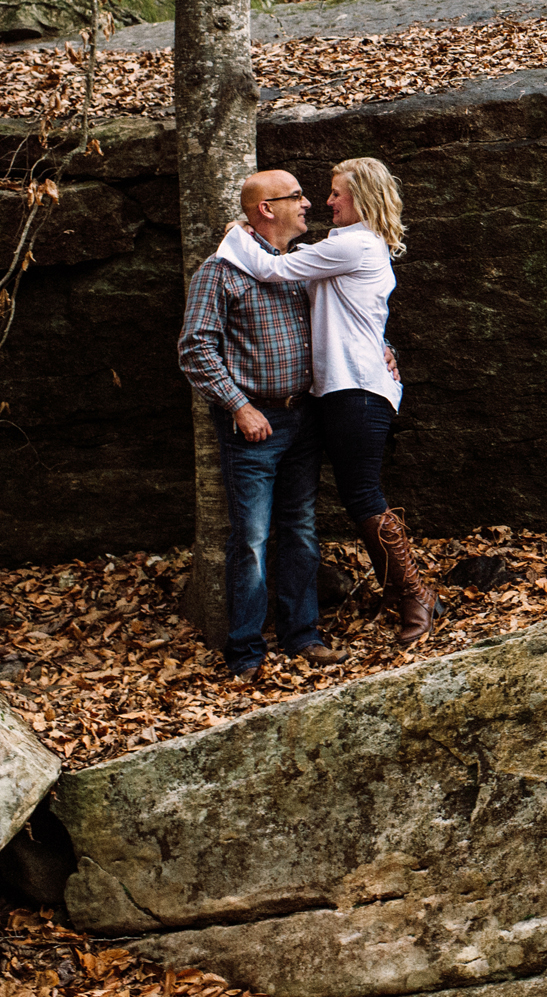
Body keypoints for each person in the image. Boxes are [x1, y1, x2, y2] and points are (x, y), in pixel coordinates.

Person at [215, 156, 439, 641]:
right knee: (359, 496)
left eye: (336, 192)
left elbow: (270, 269)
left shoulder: (355, 245)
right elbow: (353, 318)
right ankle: (405, 593)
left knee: (363, 495)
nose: (325, 201)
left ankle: (416, 596)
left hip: (356, 388)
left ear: (360, 197)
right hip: (341, 388)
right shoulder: (345, 246)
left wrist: (235, 232)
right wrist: (385, 344)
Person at [177, 170, 346, 679]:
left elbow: (350, 318)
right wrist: (239, 406)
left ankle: (303, 637)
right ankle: (246, 653)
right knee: (250, 540)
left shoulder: (303, 263)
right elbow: (195, 348)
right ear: (266, 210)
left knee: (301, 530)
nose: (308, 201)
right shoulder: (220, 270)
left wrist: (385, 349)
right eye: (296, 195)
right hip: (256, 424)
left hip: (307, 415)